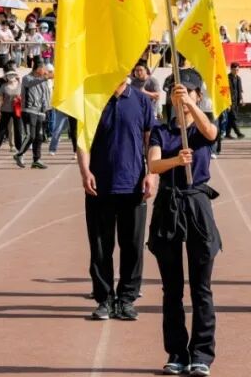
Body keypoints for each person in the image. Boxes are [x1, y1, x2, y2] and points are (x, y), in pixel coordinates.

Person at [147, 72, 221, 376]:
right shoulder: (161, 131)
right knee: (172, 287)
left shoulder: (202, 127)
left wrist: (190, 105)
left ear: (198, 95)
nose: (179, 96)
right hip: (169, 204)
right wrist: (176, 161)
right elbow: (153, 164)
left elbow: (211, 133)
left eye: (187, 91)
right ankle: (177, 352)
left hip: (197, 203)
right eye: (175, 92)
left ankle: (202, 353)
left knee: (201, 286)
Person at [80, 77, 156, 321]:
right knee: (101, 247)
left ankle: (126, 299)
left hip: (133, 185)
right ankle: (104, 299)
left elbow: (151, 141)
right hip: (99, 186)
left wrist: (151, 174)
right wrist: (85, 171)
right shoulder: (92, 99)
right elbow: (83, 140)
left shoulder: (141, 101)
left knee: (133, 246)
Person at [15, 60, 51, 168]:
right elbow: (32, 83)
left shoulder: (43, 80)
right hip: (29, 110)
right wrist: (45, 78)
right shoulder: (27, 78)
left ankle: (36, 160)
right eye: (44, 69)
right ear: (38, 69)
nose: (45, 71)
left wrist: (45, 108)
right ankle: (19, 154)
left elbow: (46, 94)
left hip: (40, 112)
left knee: (39, 137)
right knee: (31, 136)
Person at [225, 63, 245, 139]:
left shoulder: (238, 78)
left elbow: (240, 90)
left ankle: (227, 134)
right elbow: (225, 91)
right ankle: (238, 133)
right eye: (234, 70)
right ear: (231, 69)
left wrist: (242, 99)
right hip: (230, 101)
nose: (236, 71)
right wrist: (227, 102)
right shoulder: (227, 78)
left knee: (231, 118)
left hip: (237, 101)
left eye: (237, 70)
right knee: (234, 117)